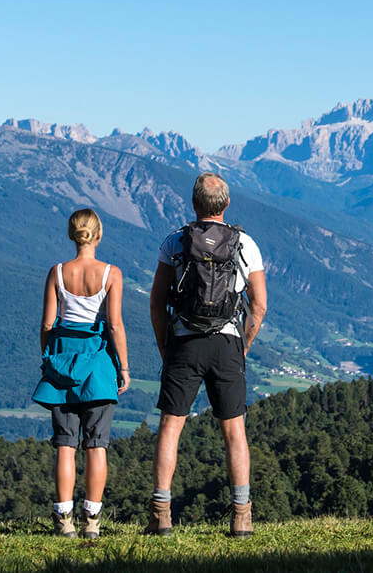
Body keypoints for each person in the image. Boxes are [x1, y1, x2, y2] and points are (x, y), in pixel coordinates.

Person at [146, 172, 267, 538]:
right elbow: (259, 306)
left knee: (171, 426)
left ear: (194, 204)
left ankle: (161, 515)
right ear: (226, 204)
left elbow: (156, 302)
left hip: (185, 340)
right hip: (227, 341)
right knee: (234, 431)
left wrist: (165, 346)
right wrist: (243, 344)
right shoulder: (245, 244)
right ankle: (241, 517)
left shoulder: (175, 242)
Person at [32, 208, 131, 539]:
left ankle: (63, 520)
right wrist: (124, 367)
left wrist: (49, 356)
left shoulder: (57, 272)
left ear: (72, 235)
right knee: (96, 444)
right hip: (98, 367)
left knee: (65, 444)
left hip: (62, 364)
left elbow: (48, 323)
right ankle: (92, 521)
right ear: (98, 235)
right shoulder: (110, 274)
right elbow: (115, 325)